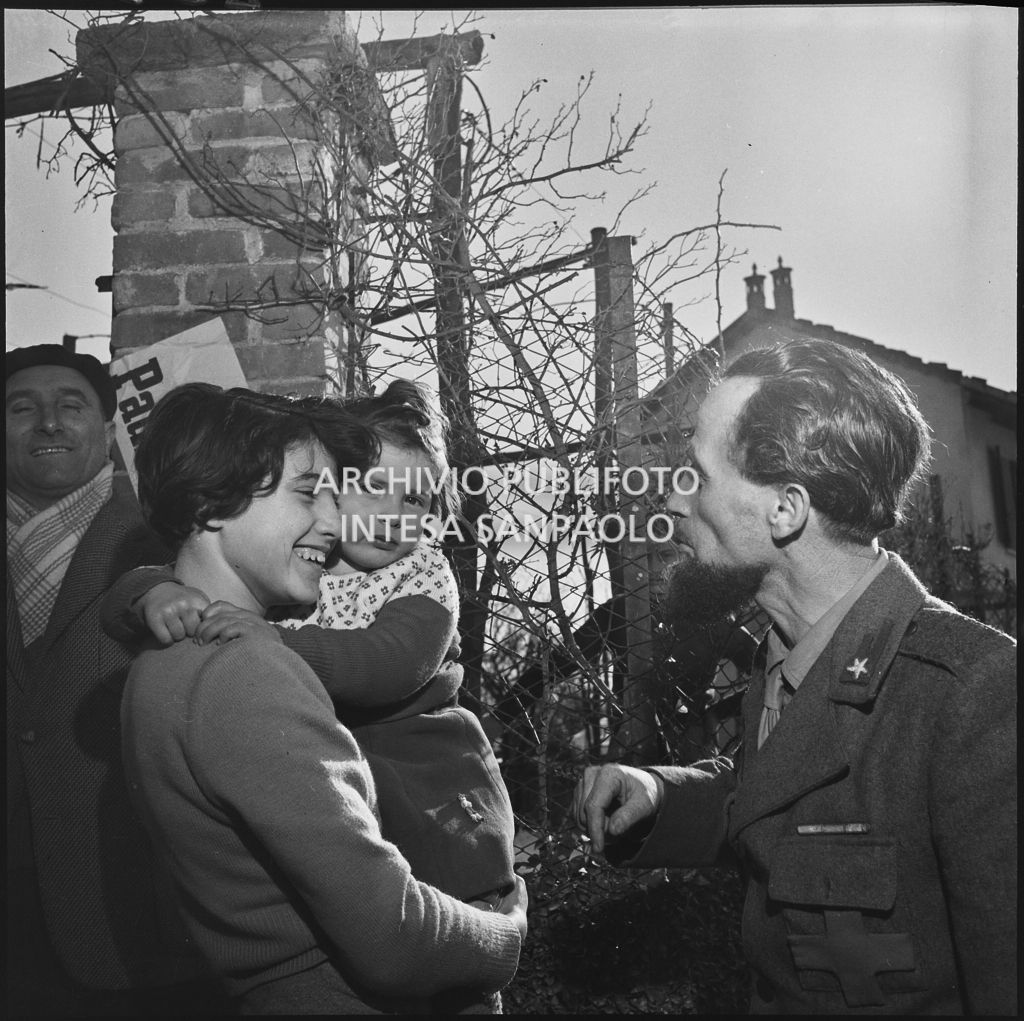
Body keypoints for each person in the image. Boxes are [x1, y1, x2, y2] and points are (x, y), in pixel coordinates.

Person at [572, 338, 1016, 1015]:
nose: (670, 496)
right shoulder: (787, 656)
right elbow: (785, 796)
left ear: (786, 509)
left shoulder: (974, 695)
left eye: (695, 473)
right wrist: (663, 795)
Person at [103, 380, 517, 1012]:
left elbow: (386, 662)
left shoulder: (179, 659)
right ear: (215, 502)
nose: (335, 521)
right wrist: (505, 936)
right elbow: (396, 937)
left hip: (435, 801)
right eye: (310, 493)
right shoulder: (243, 665)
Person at [5, 345, 222, 1016]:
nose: (47, 423)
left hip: (135, 918)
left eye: (71, 406)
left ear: (107, 431)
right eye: (21, 409)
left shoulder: (169, 539)